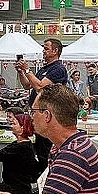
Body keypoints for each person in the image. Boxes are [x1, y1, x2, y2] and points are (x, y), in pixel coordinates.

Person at [16, 38, 68, 174]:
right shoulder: (44, 68)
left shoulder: (58, 69)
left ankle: (49, 178)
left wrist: (27, 69)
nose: (43, 51)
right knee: (40, 149)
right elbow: (28, 85)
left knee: (46, 150)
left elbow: (40, 87)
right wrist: (21, 72)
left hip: (49, 116)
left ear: (55, 51)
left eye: (46, 48)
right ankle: (41, 178)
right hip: (38, 114)